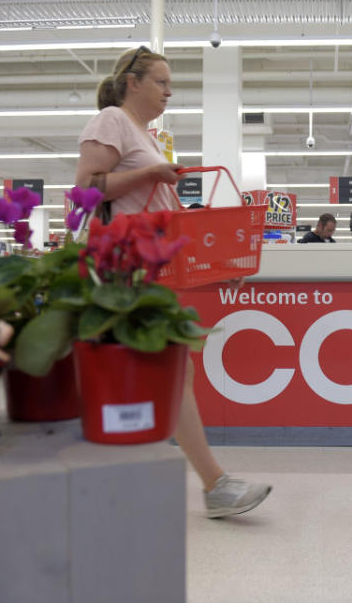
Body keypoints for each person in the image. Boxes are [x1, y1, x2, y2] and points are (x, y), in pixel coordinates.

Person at [75, 46, 271, 518]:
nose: (168, 91)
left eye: (170, 84)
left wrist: (224, 259)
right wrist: (150, 172)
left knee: (170, 374)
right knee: (171, 374)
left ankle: (200, 484)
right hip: (120, 271)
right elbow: (85, 191)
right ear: (133, 83)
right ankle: (213, 485)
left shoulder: (146, 135)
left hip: (146, 270)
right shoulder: (111, 120)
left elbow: (170, 219)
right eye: (161, 82)